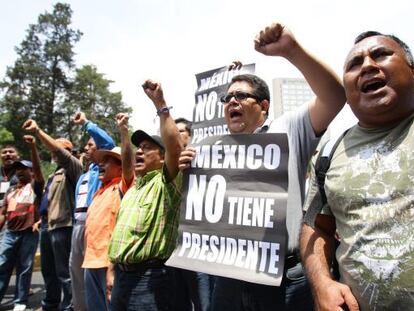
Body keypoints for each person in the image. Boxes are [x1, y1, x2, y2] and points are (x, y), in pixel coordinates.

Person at [178, 22, 346, 310]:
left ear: (264, 106)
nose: (232, 101)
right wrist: (192, 175)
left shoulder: (286, 129)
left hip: (284, 280)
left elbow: (335, 95)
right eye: (227, 98)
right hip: (229, 278)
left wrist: (292, 51)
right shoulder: (211, 148)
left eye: (241, 96)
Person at [300, 31, 414, 311]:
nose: (366, 66)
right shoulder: (329, 152)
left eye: (381, 55)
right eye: (354, 64)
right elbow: (315, 228)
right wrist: (322, 284)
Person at [108, 80, 183, 310]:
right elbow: (127, 157)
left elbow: (175, 148)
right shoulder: (132, 186)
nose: (140, 151)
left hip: (150, 279)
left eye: (147, 147)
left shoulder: (166, 183)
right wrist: (111, 272)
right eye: (138, 147)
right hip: (121, 278)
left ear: (162, 157)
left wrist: (159, 103)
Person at [22, 119, 83, 311]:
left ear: (70, 152)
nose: (53, 150)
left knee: (65, 272)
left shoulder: (73, 167)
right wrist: (41, 218)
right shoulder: (54, 174)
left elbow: (58, 151)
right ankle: (50, 304)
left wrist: (39, 131)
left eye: (58, 147)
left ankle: (70, 307)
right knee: (49, 271)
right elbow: (47, 197)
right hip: (48, 225)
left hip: (64, 226)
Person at [70, 111, 115, 311]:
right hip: (80, 227)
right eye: (86, 145)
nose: (86, 148)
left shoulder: (101, 171)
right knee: (77, 274)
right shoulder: (85, 174)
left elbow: (107, 142)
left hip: (97, 231)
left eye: (91, 144)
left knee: (101, 280)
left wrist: (86, 123)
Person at [0, 135, 44, 311]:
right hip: (9, 233)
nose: (20, 172)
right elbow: (3, 213)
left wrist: (33, 147)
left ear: (32, 172)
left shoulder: (35, 185)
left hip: (28, 233)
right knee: (2, 265)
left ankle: (20, 301)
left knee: (24, 269)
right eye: (18, 169)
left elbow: (39, 171)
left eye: (24, 169)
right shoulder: (11, 190)